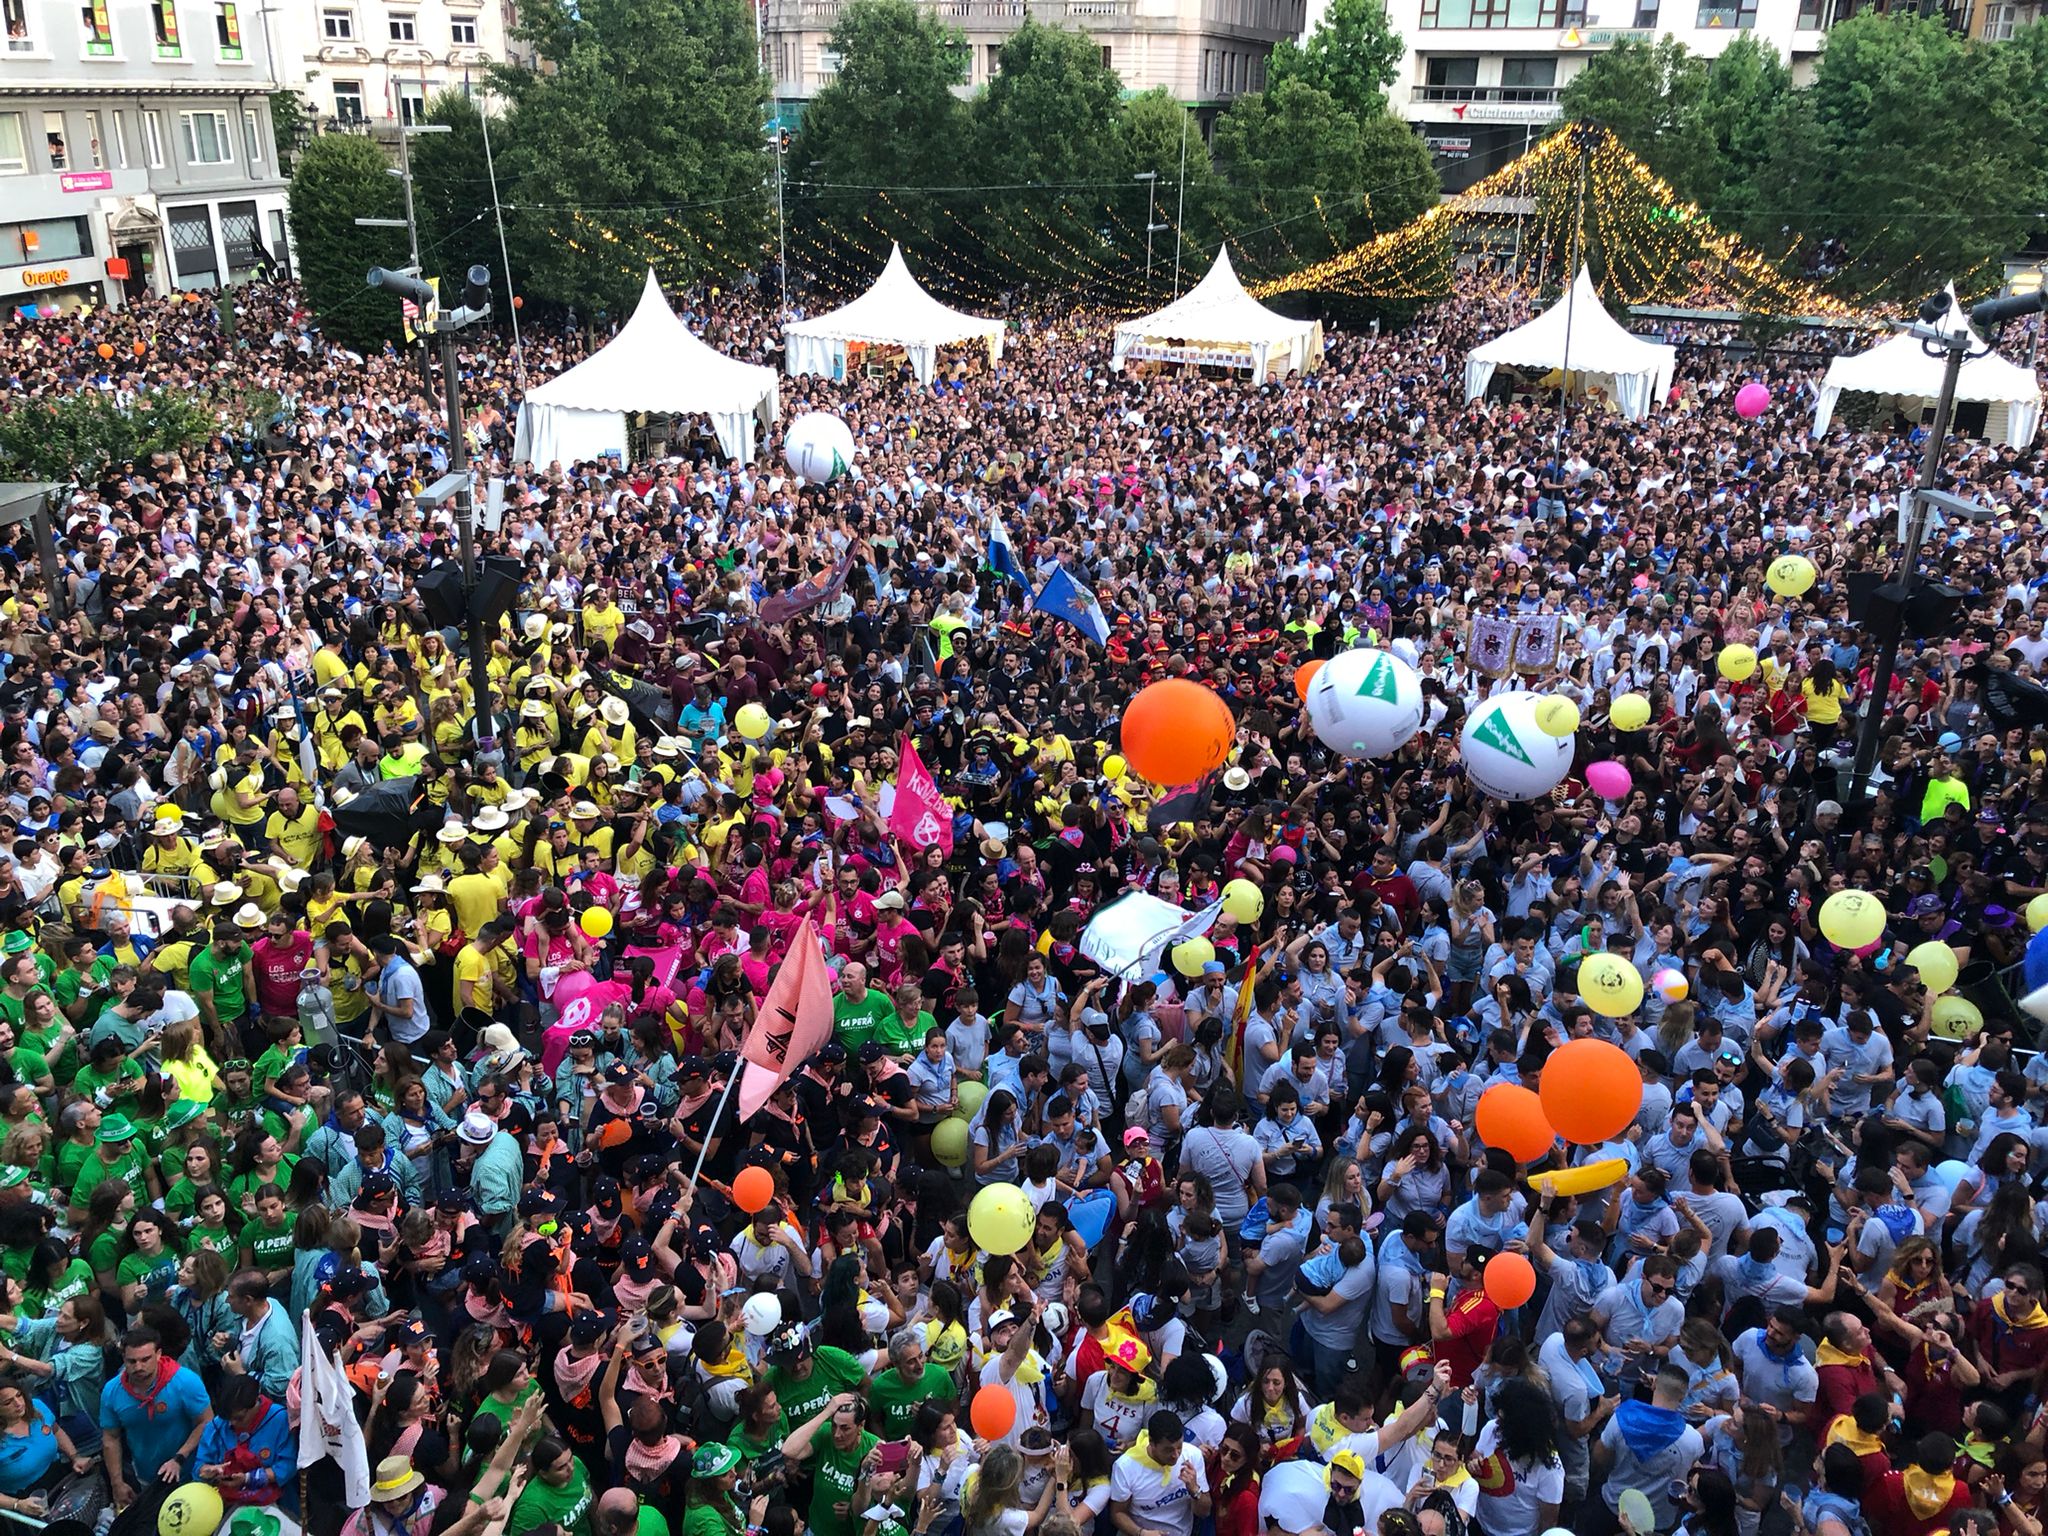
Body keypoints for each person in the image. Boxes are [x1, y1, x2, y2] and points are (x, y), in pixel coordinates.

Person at [100, 1325, 215, 1534]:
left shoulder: (184, 1382)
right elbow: (111, 1437)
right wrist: (117, 1483)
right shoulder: (112, 1391)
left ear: (159, 1354)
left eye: (145, 1359)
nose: (138, 1367)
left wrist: (180, 1457)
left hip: (191, 1474)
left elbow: (206, 1421)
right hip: (148, 1477)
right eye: (131, 1361)